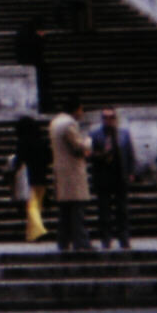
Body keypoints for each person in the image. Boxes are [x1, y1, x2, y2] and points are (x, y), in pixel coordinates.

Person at [50, 95, 94, 252]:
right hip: (72, 173)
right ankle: (81, 241)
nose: (82, 113)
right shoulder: (68, 124)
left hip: (61, 172)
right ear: (76, 109)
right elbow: (80, 146)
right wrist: (89, 141)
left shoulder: (55, 122)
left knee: (65, 212)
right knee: (76, 211)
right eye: (81, 109)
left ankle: (63, 242)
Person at [89, 106, 135, 250]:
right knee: (104, 211)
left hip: (120, 176)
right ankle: (106, 238)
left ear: (116, 119)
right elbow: (89, 155)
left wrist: (131, 172)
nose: (108, 120)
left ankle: (124, 238)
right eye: (105, 118)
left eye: (111, 117)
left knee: (122, 210)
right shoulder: (95, 135)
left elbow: (130, 153)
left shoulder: (124, 134)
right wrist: (102, 154)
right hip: (103, 177)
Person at [9, 115, 51, 243]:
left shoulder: (22, 142)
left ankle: (35, 232)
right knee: (36, 205)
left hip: (28, 177)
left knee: (31, 206)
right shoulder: (42, 141)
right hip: (41, 176)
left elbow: (19, 160)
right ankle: (34, 231)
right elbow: (49, 157)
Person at [13, 15, 52, 112]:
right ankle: (44, 106)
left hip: (28, 64)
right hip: (36, 65)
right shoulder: (33, 35)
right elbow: (39, 48)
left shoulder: (24, 32)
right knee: (42, 89)